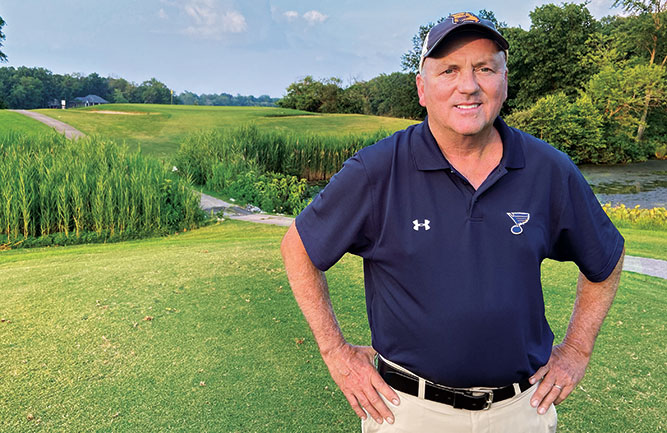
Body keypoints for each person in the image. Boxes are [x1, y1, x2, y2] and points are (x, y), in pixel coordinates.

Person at [281, 11, 624, 433]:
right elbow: (299, 247)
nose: (469, 85)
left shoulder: (548, 169)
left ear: (504, 82)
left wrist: (576, 351)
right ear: (422, 88)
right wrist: (336, 353)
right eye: (449, 70)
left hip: (520, 411)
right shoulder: (377, 170)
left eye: (485, 69)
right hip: (408, 411)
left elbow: (606, 256)